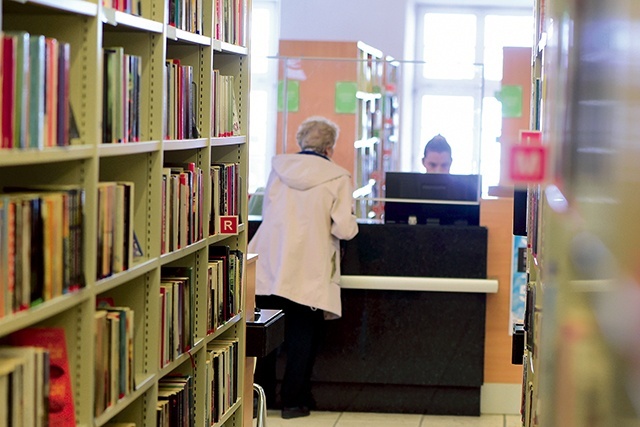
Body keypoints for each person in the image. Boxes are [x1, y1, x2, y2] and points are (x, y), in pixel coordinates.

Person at [248, 116, 359, 419]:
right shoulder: (337, 177)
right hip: (309, 267)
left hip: (270, 262)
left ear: (301, 141)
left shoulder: (278, 168)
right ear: (330, 147)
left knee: (268, 335)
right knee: (301, 337)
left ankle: (263, 398)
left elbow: (268, 209)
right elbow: (345, 228)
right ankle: (293, 402)